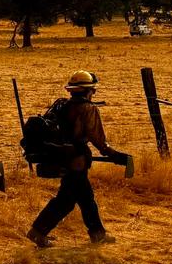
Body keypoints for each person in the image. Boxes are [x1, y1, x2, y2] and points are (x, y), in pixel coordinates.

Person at [28, 71, 120, 247]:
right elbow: (98, 138)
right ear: (88, 91)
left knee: (83, 199)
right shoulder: (88, 109)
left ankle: (97, 234)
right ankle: (37, 231)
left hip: (64, 158)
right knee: (67, 202)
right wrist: (113, 154)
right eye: (93, 90)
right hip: (76, 161)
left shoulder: (63, 106)